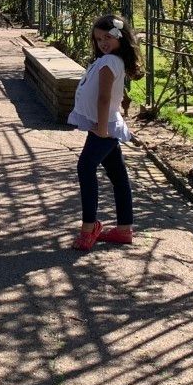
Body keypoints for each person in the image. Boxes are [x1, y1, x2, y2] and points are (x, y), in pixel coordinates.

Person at [67, 13, 141, 251]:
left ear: (120, 37)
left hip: (104, 125)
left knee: (85, 167)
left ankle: (89, 229)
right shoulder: (109, 59)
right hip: (104, 123)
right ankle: (124, 229)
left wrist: (100, 127)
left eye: (108, 37)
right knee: (117, 174)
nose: (103, 43)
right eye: (98, 39)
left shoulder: (109, 62)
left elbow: (104, 97)